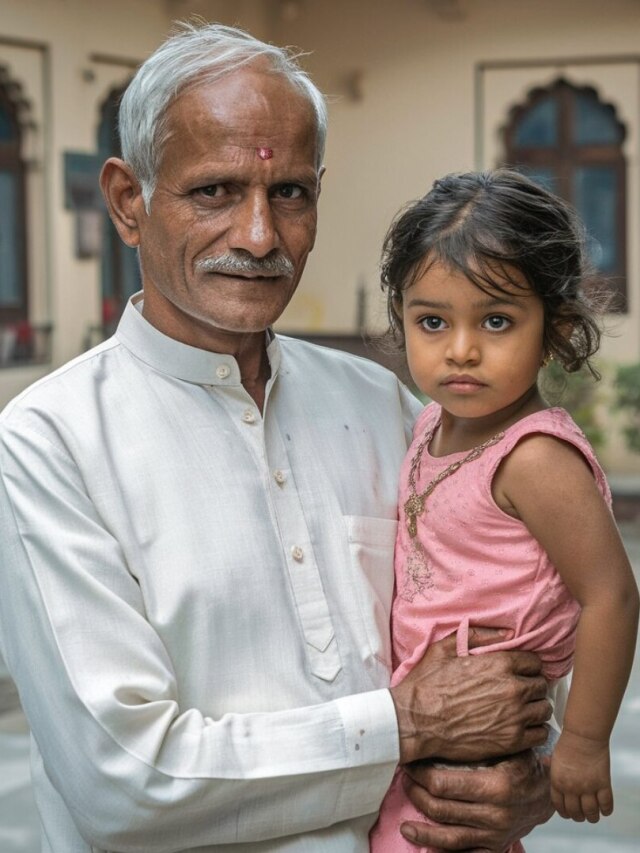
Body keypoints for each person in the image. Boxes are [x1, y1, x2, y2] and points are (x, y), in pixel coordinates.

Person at [0, 25, 552, 853]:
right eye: (215, 191)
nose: (259, 236)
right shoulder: (50, 443)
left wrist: (524, 772)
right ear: (126, 200)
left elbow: (509, 623)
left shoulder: (385, 407)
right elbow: (122, 778)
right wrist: (400, 725)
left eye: (289, 193)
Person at [369, 169, 640, 853]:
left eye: (496, 321)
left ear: (555, 328)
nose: (461, 348)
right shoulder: (432, 423)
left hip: (480, 739)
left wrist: (581, 742)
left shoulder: (534, 458)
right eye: (433, 321)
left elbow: (611, 594)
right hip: (422, 723)